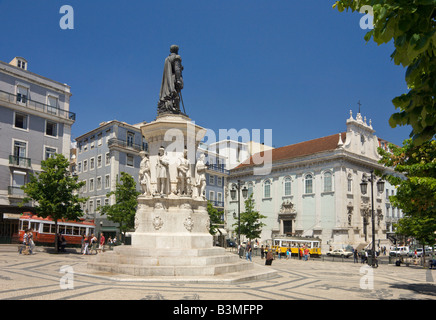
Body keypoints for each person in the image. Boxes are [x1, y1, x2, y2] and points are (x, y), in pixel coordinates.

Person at [157, 44, 184, 115]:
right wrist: (178, 80)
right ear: (177, 51)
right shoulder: (177, 57)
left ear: (170, 50)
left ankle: (171, 107)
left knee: (170, 93)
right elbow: (177, 69)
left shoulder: (167, 59)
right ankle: (176, 108)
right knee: (175, 94)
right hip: (173, 79)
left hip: (167, 81)